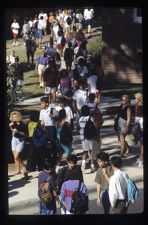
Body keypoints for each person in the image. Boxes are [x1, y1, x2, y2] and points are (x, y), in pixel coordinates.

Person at [9, 111, 28, 177]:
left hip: (21, 140)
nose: (14, 118)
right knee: (15, 157)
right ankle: (18, 170)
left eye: (15, 117)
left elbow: (25, 135)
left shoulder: (23, 125)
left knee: (16, 156)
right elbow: (13, 131)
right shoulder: (13, 123)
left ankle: (24, 166)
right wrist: (11, 127)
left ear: (18, 117)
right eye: (13, 117)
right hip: (14, 140)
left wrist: (18, 132)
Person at [55, 109, 73, 173]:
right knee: (69, 155)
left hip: (58, 142)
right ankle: (70, 167)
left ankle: (56, 168)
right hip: (65, 142)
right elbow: (69, 133)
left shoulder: (56, 123)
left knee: (60, 156)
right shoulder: (66, 123)